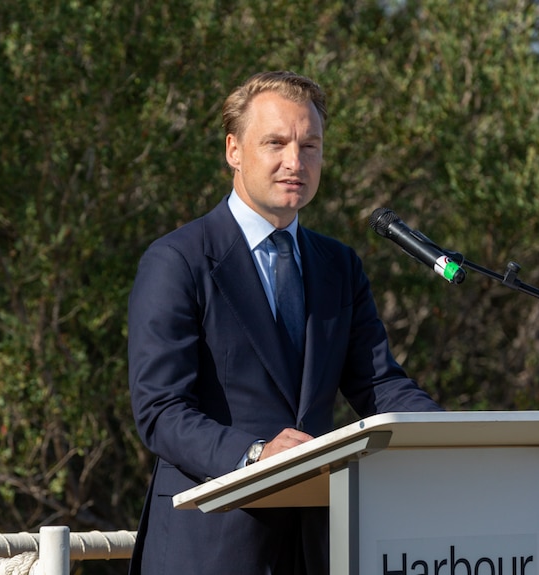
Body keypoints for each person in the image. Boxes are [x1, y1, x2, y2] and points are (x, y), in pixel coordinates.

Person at [127, 70, 442, 575]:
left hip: (315, 547)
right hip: (209, 546)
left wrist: (449, 438)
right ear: (234, 150)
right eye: (275, 143)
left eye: (310, 145)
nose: (295, 161)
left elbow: (379, 382)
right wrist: (254, 454)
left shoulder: (338, 265)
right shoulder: (178, 260)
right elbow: (160, 411)